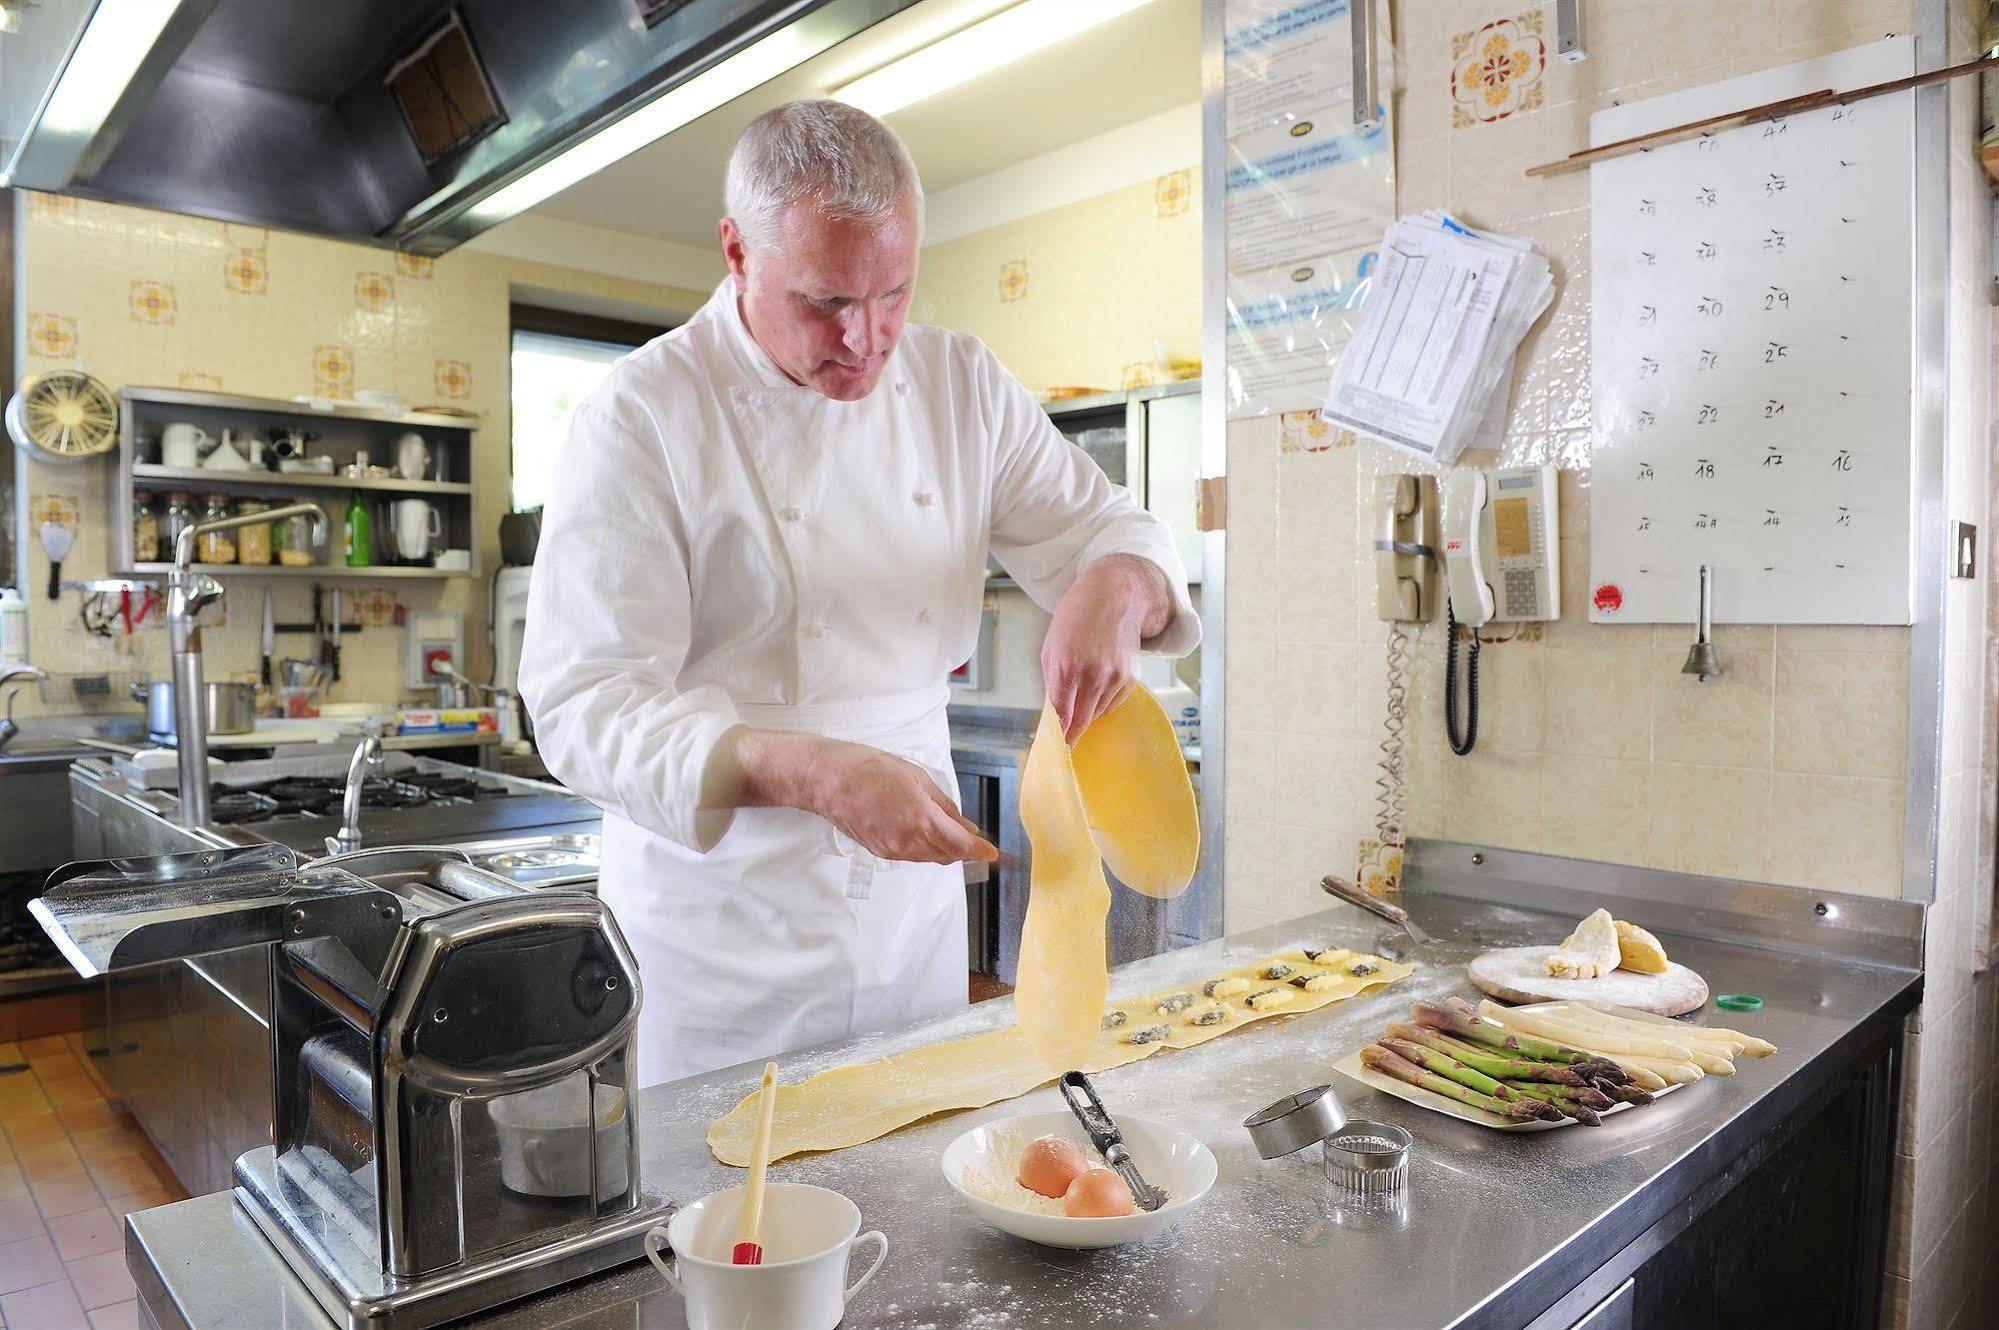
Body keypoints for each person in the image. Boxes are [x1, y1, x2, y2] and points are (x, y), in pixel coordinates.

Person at [519, 100, 1198, 1088]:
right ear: (737, 253)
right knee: (730, 1218)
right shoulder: (640, 417)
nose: (866, 339)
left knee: (910, 1190)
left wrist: (1114, 586)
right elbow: (583, 708)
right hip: (723, 933)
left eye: (893, 293)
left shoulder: (960, 383)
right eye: (826, 302)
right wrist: (816, 772)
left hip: (907, 923)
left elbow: (1106, 530)